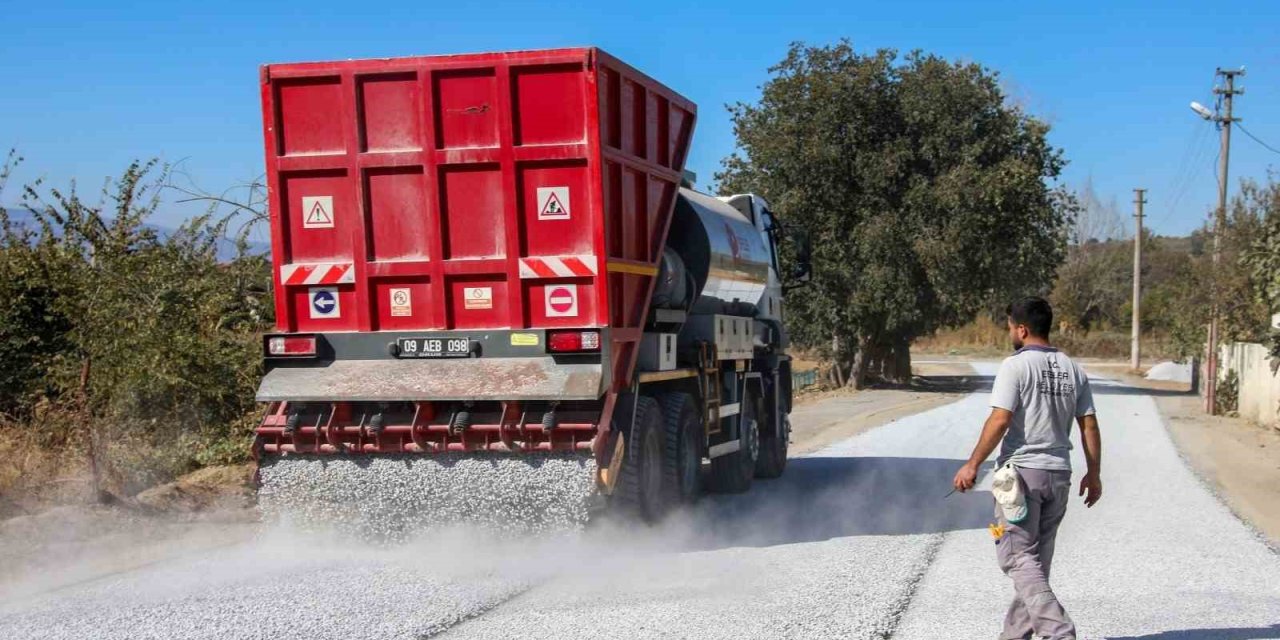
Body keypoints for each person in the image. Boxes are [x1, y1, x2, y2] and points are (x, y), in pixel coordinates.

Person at [952, 297, 1103, 640]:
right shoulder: (1073, 368)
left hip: (1017, 476)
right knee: (1034, 564)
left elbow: (1000, 418)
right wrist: (1093, 474)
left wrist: (972, 463)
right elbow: (1089, 426)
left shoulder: (1015, 366)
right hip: (1058, 477)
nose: (1010, 333)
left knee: (1016, 558)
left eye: (1010, 327)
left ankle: (1059, 631)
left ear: (1021, 329)